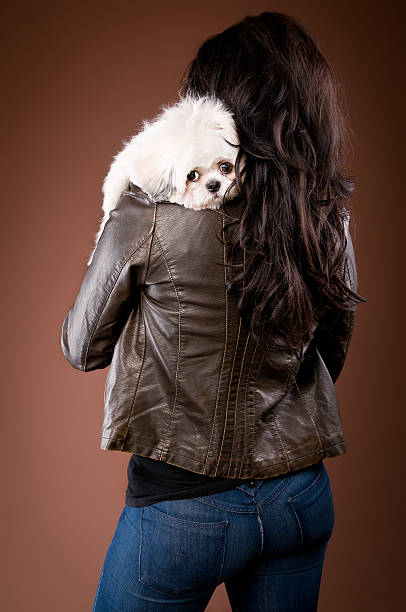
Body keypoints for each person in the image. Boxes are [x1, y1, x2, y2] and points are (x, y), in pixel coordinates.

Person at [61, 11, 365, 612]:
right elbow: (332, 351)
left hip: (182, 511)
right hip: (298, 502)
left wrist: (118, 227)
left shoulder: (146, 212)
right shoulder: (326, 216)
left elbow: (81, 347)